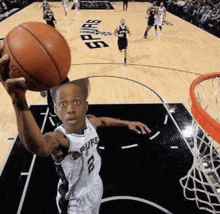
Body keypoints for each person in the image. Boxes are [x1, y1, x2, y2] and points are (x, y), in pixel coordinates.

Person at [0, 46, 151, 214]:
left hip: (95, 186)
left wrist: (127, 123)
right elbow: (40, 146)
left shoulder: (89, 122)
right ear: (56, 110)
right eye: (63, 104)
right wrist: (19, 101)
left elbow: (102, 121)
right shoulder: (60, 138)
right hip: (75, 202)